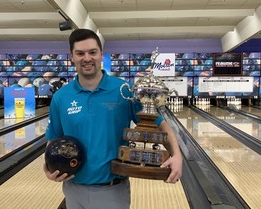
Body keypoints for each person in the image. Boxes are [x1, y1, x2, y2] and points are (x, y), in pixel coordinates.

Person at [43, 28, 183, 209]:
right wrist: (48, 166)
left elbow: (159, 124)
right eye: (80, 53)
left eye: (92, 52)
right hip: (73, 188)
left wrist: (177, 156)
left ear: (101, 54)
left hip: (113, 191)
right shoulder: (61, 97)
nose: (87, 58)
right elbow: (53, 138)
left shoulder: (123, 90)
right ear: (72, 56)